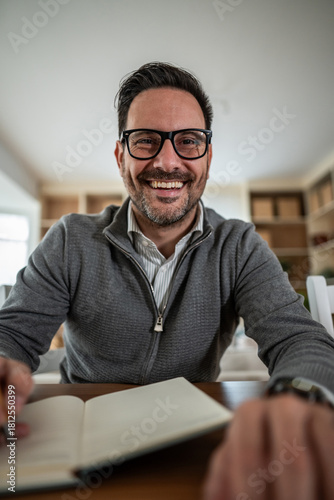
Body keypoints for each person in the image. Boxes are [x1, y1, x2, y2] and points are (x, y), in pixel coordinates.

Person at [1, 62, 334, 499]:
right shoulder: (69, 239)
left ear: (208, 158)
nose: (167, 161)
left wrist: (302, 395)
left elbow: (299, 339)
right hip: (75, 457)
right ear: (121, 156)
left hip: (197, 451)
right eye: (146, 141)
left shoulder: (240, 244)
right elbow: (12, 334)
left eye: (189, 142)